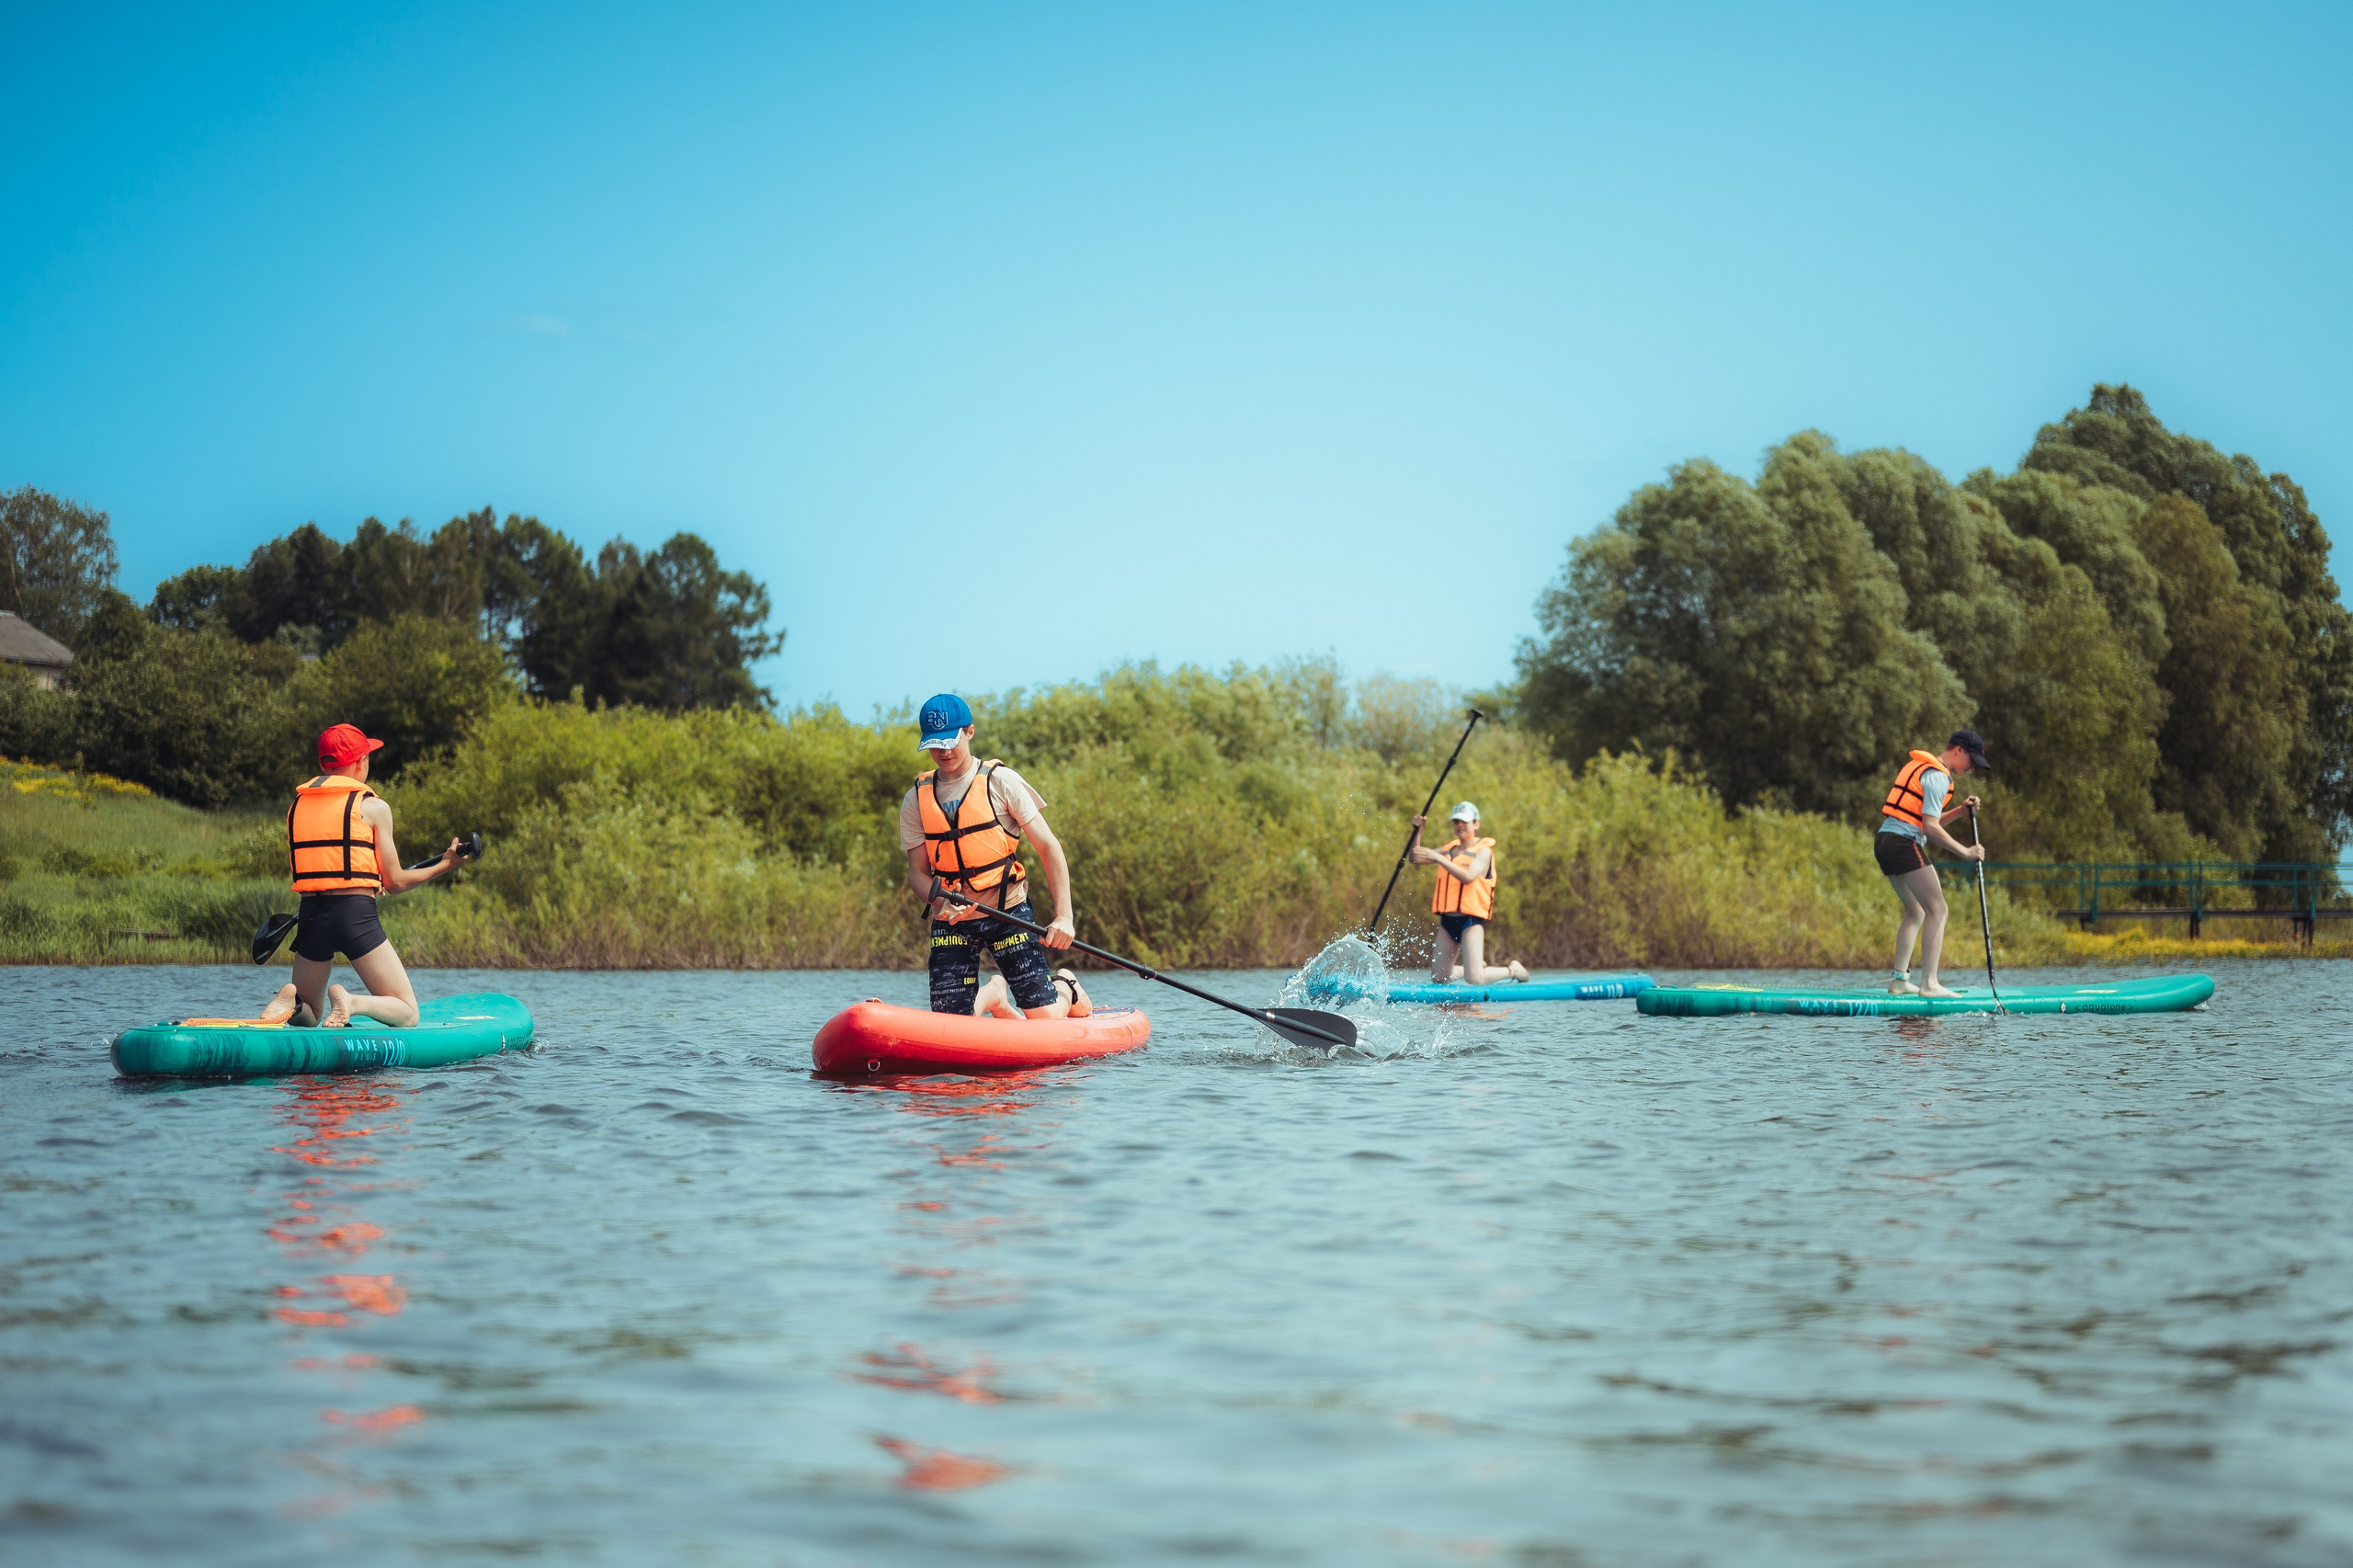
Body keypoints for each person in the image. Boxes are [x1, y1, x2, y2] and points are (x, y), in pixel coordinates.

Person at [257, 722, 467, 1028]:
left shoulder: (296, 807)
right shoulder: (373, 807)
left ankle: (292, 1002)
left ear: (323, 764)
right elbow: (394, 882)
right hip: (354, 915)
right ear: (360, 763)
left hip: (311, 915)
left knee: (311, 1014)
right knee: (408, 1013)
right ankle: (351, 1001)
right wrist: (444, 865)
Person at [899, 693, 1086, 1018]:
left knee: (1044, 1018)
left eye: (950, 741)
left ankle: (1066, 987)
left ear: (969, 731)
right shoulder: (916, 798)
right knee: (953, 1023)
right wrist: (941, 904)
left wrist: (1064, 917)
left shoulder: (1001, 781)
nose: (943, 751)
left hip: (1007, 911)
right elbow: (917, 873)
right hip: (951, 920)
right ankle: (997, 998)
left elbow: (1049, 848)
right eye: (934, 744)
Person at [1875, 729, 1990, 997]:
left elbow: (1928, 819)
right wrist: (1966, 852)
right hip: (1903, 843)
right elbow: (1930, 829)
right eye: (1971, 760)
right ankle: (1930, 983)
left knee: (1916, 911)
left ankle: (1899, 981)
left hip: (1884, 841)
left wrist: (1961, 811)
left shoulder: (1923, 768)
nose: (1972, 767)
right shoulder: (1938, 776)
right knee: (1938, 909)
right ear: (1958, 750)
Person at [1408, 801, 1530, 986]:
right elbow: (1414, 857)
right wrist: (1417, 831)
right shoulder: (1449, 850)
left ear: (1476, 824)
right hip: (1447, 922)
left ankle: (1513, 970)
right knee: (1439, 978)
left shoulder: (1484, 852)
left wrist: (1438, 858)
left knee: (1475, 980)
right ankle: (1472, 967)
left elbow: (1469, 877)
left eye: (1464, 822)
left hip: (1470, 922)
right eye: (1456, 822)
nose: (1459, 826)